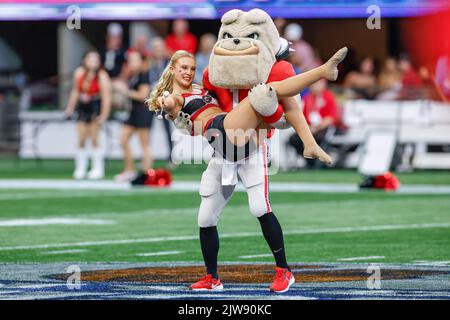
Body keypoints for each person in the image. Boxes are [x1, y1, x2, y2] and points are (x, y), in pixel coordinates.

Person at [147, 47, 347, 291]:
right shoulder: (177, 94)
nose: (189, 72)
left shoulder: (204, 85)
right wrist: (164, 103)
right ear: (172, 70)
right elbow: (168, 103)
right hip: (221, 145)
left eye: (191, 68)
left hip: (240, 139)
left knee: (260, 207)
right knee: (205, 217)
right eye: (183, 68)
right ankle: (212, 278)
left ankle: (284, 271)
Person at [64, 50, 112, 180]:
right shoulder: (79, 73)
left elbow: (106, 97)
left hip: (95, 106)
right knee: (81, 138)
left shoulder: (102, 75)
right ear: (84, 61)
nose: (93, 62)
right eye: (90, 59)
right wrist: (70, 108)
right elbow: (75, 91)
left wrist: (104, 114)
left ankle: (97, 168)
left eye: (96, 60)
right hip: (83, 107)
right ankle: (80, 168)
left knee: (95, 138)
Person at [114, 50, 152, 182]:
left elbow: (143, 96)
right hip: (134, 111)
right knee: (123, 139)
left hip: (143, 111)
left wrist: (125, 91)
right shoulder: (133, 75)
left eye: (134, 60)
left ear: (141, 62)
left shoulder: (144, 75)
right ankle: (129, 170)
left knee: (144, 144)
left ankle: (146, 174)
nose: (131, 63)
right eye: (130, 60)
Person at [288, 79, 339, 168]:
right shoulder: (307, 98)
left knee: (319, 139)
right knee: (294, 139)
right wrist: (308, 128)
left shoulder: (328, 97)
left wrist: (317, 128)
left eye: (318, 84)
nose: (315, 86)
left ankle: (316, 162)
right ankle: (309, 161)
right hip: (309, 128)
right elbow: (301, 117)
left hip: (322, 129)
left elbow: (331, 118)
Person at [148, 37, 174, 165]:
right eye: (155, 49)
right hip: (151, 99)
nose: (158, 51)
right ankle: (147, 156)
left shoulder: (169, 66)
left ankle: (171, 156)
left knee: (167, 128)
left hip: (164, 100)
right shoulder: (149, 64)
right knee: (146, 128)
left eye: (160, 48)